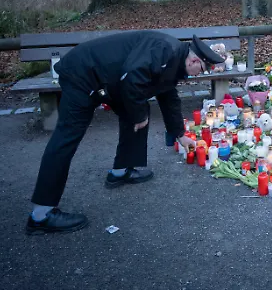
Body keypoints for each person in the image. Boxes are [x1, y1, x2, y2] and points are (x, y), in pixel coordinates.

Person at [26, 31, 225, 235]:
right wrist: (139, 116)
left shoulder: (174, 59)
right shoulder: (164, 50)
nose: (199, 75)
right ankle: (42, 214)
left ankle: (120, 171)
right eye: (201, 69)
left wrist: (179, 133)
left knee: (138, 111)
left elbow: (168, 95)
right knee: (66, 137)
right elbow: (132, 77)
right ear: (193, 59)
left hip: (108, 79)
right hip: (83, 74)